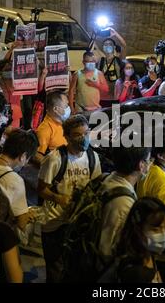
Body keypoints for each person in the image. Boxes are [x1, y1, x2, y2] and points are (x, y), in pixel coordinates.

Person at [37, 115, 102, 282]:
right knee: (55, 271)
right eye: (78, 134)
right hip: (55, 224)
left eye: (86, 133)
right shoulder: (54, 159)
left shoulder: (93, 157)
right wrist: (59, 198)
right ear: (66, 136)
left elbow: (96, 187)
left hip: (79, 224)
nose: (84, 138)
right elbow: (41, 190)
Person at [0, 129, 38, 234]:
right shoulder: (15, 180)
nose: (27, 162)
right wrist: (28, 215)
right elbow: (22, 223)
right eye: (28, 159)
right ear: (23, 156)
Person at [99, 146, 152, 262]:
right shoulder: (124, 203)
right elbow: (106, 251)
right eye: (148, 161)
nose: (150, 165)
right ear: (141, 165)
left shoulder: (107, 178)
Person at [114, 197, 165, 283]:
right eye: (155, 229)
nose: (163, 234)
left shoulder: (147, 254)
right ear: (138, 230)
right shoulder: (135, 274)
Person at [34, 91, 70, 164]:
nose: (68, 108)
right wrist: (55, 166)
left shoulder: (65, 122)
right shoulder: (45, 129)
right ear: (56, 109)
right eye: (66, 106)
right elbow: (37, 155)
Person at [98, 31, 127, 101]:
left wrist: (115, 34)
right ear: (103, 47)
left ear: (114, 47)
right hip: (103, 96)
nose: (107, 46)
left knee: (115, 112)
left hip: (116, 95)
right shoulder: (101, 61)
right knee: (103, 112)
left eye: (110, 44)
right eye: (105, 44)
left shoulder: (118, 60)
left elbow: (124, 45)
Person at [0, 59, 22, 128]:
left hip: (16, 113)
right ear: (0, 71)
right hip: (1, 114)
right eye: (6, 70)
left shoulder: (18, 81)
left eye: (11, 69)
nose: (9, 71)